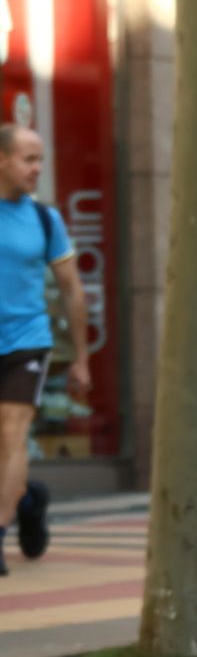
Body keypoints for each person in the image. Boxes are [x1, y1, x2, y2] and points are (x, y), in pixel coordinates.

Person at [0, 125, 86, 577]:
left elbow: (71, 289)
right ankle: (30, 500)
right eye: (28, 159)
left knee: (13, 434)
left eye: (41, 160)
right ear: (1, 159)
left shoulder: (44, 219)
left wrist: (83, 358)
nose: (37, 169)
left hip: (25, 341)